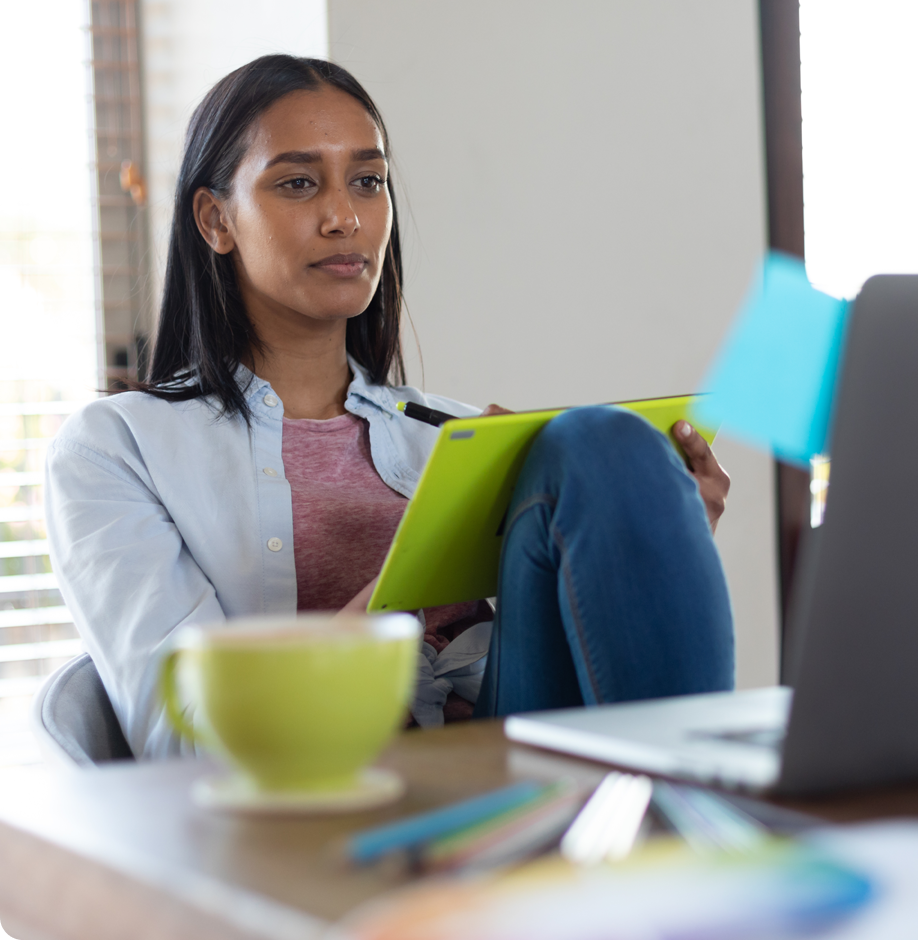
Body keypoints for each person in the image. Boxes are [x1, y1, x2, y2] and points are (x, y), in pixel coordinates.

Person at [45, 55, 734, 759]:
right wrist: (410, 574)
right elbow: (185, 740)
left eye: (368, 181)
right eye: (298, 183)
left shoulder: (454, 435)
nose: (345, 217)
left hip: (512, 765)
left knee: (600, 444)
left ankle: (701, 818)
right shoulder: (117, 449)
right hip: (321, 795)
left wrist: (649, 525)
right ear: (216, 219)